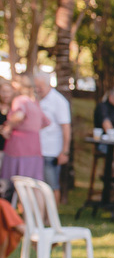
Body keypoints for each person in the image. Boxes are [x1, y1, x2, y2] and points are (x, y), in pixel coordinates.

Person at [1, 75, 50, 182]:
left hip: (18, 147)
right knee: (29, 184)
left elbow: (18, 116)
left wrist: (8, 127)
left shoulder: (20, 100)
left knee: (13, 183)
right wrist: (31, 128)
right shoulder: (34, 102)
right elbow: (46, 122)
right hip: (34, 147)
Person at [34, 73, 71, 203]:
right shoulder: (36, 99)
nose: (37, 89)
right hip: (36, 150)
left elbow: (66, 127)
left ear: (49, 84)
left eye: (40, 86)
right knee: (37, 186)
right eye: (36, 86)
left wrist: (64, 151)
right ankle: (41, 216)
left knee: (52, 185)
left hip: (51, 151)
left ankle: (52, 217)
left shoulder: (58, 101)